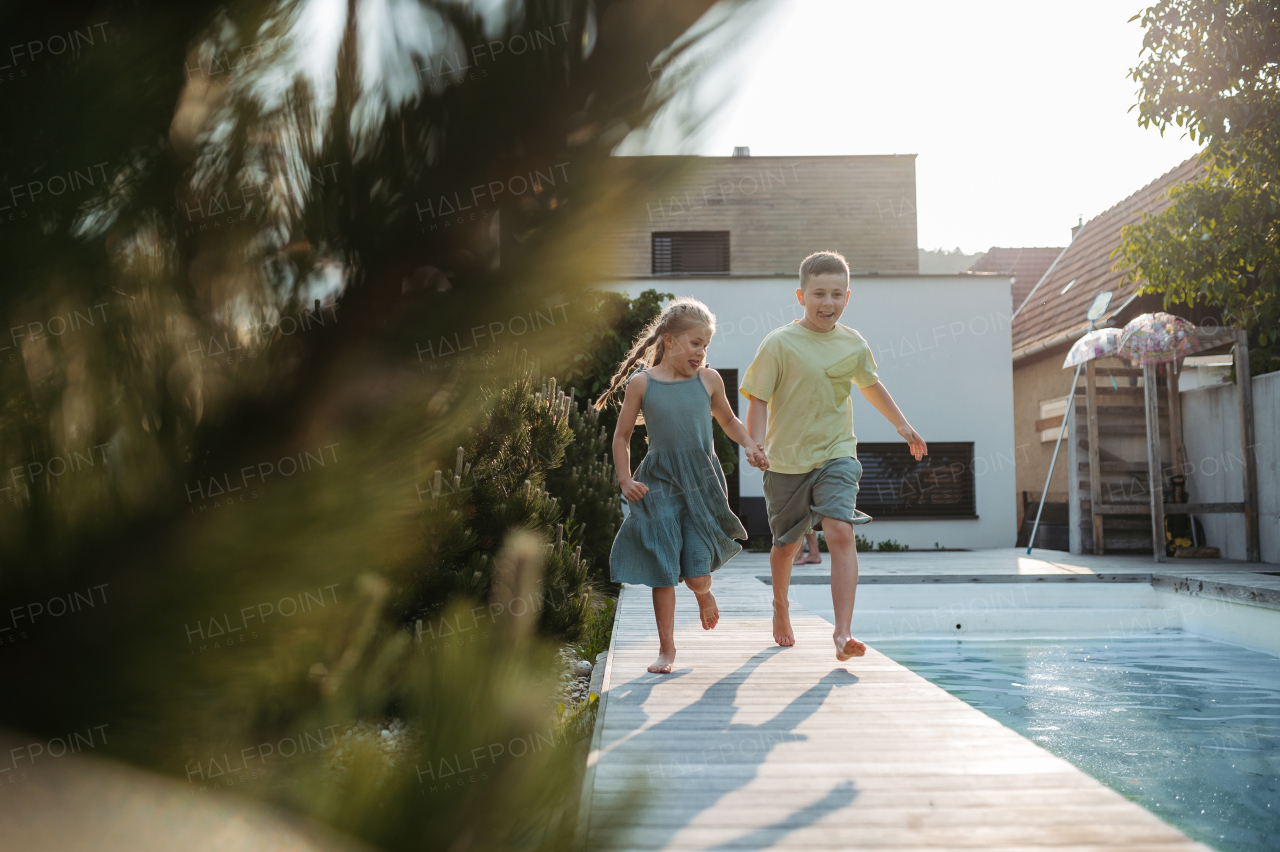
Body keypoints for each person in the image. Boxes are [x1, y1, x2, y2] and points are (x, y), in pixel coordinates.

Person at [741, 251, 926, 662]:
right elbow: (757, 398)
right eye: (819, 294)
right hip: (786, 461)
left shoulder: (853, 343)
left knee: (840, 529)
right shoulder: (778, 343)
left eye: (837, 295)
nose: (828, 303)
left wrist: (902, 424)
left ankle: (842, 634)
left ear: (848, 297)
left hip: (837, 452)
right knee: (786, 546)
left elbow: (870, 385)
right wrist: (754, 443)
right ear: (801, 295)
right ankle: (780, 606)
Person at [597, 297, 768, 674]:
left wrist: (752, 446)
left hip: (701, 482)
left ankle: (704, 593)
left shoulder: (708, 379)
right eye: (695, 343)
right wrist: (625, 479)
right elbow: (622, 437)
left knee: (694, 574)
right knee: (662, 566)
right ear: (670, 341)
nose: (702, 351)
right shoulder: (642, 383)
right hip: (658, 483)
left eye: (706, 344)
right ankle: (667, 649)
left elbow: (728, 421)